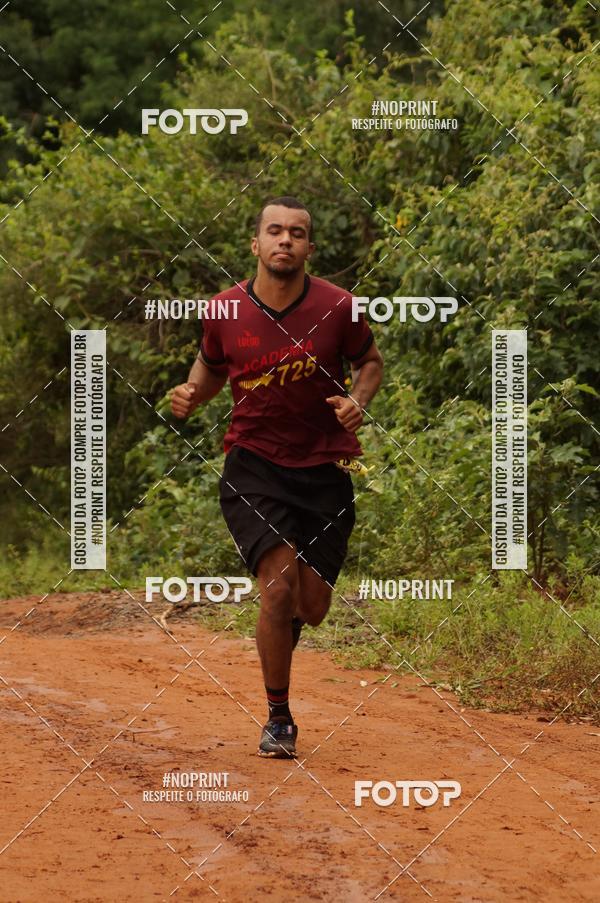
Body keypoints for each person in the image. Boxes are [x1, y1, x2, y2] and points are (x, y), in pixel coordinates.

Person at [171, 196, 383, 758]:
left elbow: (370, 363)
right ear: (256, 244)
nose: (284, 240)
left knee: (310, 606)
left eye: (296, 233)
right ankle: (279, 717)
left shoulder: (339, 307)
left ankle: (282, 636)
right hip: (253, 466)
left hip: (323, 470)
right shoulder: (224, 309)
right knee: (278, 587)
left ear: (309, 247)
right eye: (274, 231)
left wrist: (357, 401)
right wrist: (193, 393)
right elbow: (212, 368)